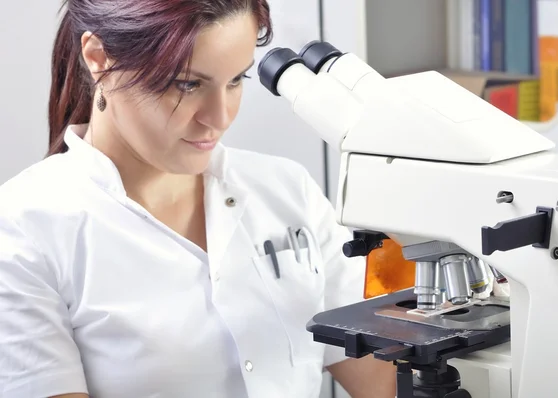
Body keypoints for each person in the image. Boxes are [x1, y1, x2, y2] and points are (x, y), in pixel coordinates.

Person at [0, 0, 397, 397]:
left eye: (236, 80)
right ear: (98, 57)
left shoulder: (287, 190)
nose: (220, 118)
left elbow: (383, 384)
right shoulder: (25, 228)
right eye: (188, 84)